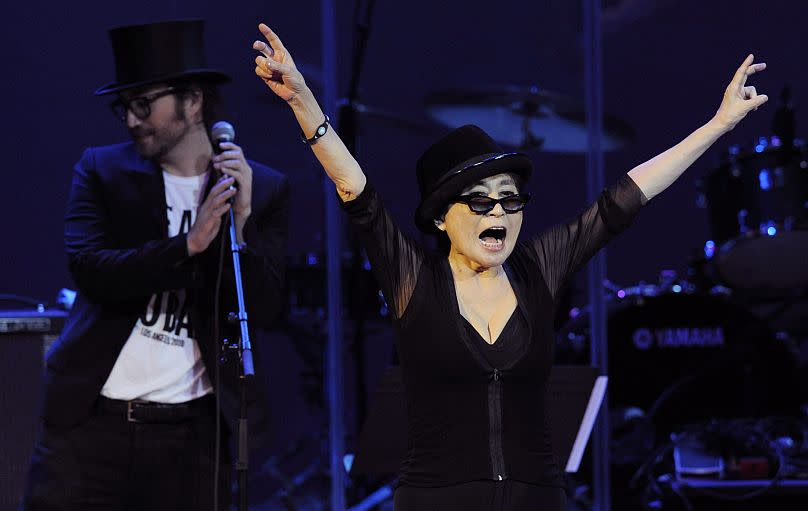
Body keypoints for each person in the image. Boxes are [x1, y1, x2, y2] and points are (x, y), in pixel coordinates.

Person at [252, 22, 766, 511]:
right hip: (438, 501)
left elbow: (623, 200)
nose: (497, 211)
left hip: (537, 498)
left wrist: (716, 126)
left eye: (509, 199)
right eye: (478, 201)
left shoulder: (537, 270)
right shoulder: (417, 281)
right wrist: (302, 100)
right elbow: (358, 196)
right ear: (441, 220)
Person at [20, 20, 288, 511]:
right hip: (91, 426)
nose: (130, 119)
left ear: (193, 100)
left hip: (193, 437)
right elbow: (89, 269)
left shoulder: (262, 188)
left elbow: (267, 309)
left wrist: (243, 224)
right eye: (123, 107)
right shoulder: (102, 170)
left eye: (144, 104)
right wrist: (187, 245)